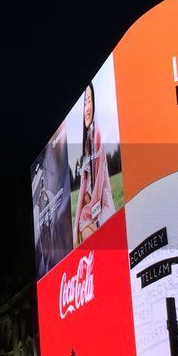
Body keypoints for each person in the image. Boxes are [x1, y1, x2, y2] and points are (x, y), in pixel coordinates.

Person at [73, 80, 116, 245]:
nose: (87, 108)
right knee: (84, 220)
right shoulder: (85, 145)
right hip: (90, 208)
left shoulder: (98, 134)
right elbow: (83, 188)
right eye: (85, 103)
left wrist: (92, 211)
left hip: (100, 205)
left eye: (90, 101)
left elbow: (98, 184)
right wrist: (76, 225)